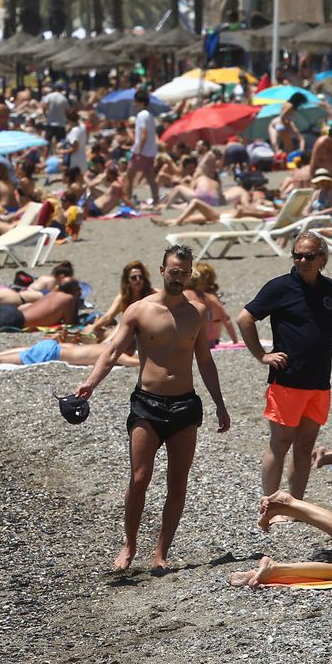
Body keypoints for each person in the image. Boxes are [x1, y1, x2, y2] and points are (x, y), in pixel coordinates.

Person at [76, 245, 231, 572]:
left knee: (178, 482)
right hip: (147, 404)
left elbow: (205, 359)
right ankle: (129, 545)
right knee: (139, 477)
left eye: (184, 272)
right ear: (161, 270)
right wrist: (90, 383)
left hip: (185, 404)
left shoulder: (197, 312)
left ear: (190, 274)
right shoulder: (138, 310)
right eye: (173, 271)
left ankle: (161, 553)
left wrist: (219, 403)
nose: (178, 278)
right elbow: (112, 350)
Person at [238, 231, 332, 507]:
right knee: (280, 443)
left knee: (304, 447)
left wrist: (329, 341)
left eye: (309, 256)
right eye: (297, 255)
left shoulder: (330, 289)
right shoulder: (279, 288)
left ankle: (296, 506)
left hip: (319, 382)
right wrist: (262, 356)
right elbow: (244, 319)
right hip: (287, 381)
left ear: (322, 259)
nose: (302, 260)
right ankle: (270, 504)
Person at [128, 89, 160, 206]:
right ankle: (156, 201)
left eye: (136, 102)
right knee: (151, 179)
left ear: (140, 102)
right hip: (150, 152)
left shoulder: (141, 115)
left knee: (129, 177)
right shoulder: (150, 115)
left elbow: (144, 134)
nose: (134, 104)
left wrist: (138, 152)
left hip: (142, 152)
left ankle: (127, 201)